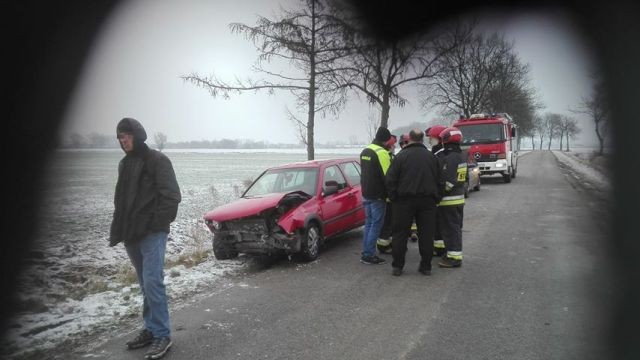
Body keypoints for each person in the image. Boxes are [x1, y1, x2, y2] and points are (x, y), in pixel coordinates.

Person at [110, 118, 181, 359]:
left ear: (138, 135)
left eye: (126, 136)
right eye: (120, 137)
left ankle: (162, 334)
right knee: (144, 285)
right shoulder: (124, 163)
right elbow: (121, 198)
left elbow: (171, 196)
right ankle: (151, 329)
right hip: (131, 234)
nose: (123, 141)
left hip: (152, 233)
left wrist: (157, 225)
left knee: (153, 282)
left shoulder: (157, 160)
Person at [386, 129, 441, 276]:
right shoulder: (432, 157)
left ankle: (397, 266)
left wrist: (394, 198)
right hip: (428, 201)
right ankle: (426, 266)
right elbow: (440, 180)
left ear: (409, 139)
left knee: (400, 234)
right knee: (427, 235)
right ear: (422, 139)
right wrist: (437, 198)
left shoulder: (400, 157)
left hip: (403, 201)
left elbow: (390, 179)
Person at [359, 127, 392, 265]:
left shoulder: (365, 151)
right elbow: (388, 176)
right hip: (378, 195)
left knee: (368, 224)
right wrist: (391, 194)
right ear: (386, 140)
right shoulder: (382, 153)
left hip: (366, 193)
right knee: (376, 225)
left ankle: (365, 252)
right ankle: (369, 255)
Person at [436, 126, 467, 268]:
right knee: (454, 228)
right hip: (458, 199)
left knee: (451, 230)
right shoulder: (461, 155)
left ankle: (454, 258)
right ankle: (451, 253)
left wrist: (438, 194)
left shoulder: (450, 157)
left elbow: (449, 181)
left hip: (449, 200)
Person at [426, 125, 448, 257]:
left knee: (439, 224)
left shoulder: (440, 156)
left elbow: (439, 178)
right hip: (436, 195)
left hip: (438, 196)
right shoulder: (436, 154)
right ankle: (438, 247)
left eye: (431, 138)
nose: (429, 141)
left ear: (439, 139)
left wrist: (437, 196)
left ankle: (440, 248)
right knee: (437, 224)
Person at [377, 134, 397, 254]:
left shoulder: (388, 156)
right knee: (388, 221)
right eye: (393, 144)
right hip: (390, 196)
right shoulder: (388, 157)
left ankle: (385, 243)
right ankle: (384, 244)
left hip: (386, 195)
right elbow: (391, 177)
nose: (395, 146)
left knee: (387, 221)